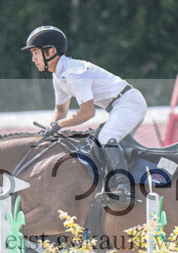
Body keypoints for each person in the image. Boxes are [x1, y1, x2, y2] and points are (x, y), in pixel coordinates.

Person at [22, 25, 147, 206]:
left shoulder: (73, 73)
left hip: (129, 103)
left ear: (50, 51)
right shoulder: (58, 76)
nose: (33, 59)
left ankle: (124, 189)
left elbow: (88, 112)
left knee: (104, 139)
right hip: (121, 105)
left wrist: (60, 125)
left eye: (35, 53)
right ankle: (113, 187)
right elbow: (60, 111)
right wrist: (49, 131)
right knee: (98, 145)